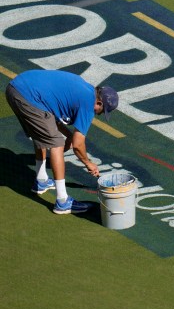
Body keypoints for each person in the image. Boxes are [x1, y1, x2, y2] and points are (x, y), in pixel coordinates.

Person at [5, 69, 119, 213]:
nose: (99, 114)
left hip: (16, 88)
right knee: (57, 143)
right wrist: (88, 163)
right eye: (101, 111)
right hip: (28, 96)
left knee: (41, 133)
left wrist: (69, 135)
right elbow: (78, 145)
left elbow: (51, 115)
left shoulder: (83, 90)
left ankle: (41, 181)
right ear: (98, 102)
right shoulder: (87, 103)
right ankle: (62, 202)